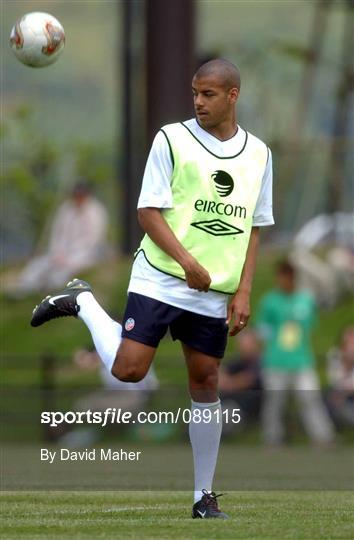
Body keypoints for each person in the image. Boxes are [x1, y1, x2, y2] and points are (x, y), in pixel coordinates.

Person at [31, 58, 274, 519]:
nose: (198, 102)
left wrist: (243, 292)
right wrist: (186, 263)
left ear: (232, 96)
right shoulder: (172, 139)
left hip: (213, 292)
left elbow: (255, 228)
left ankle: (203, 497)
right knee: (128, 372)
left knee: (205, 383)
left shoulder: (259, 154)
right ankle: (82, 299)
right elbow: (148, 213)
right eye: (195, 93)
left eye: (208, 94)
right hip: (161, 277)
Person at [256, 260, 335, 446]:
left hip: (301, 360)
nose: (286, 280)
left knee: (310, 398)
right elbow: (262, 329)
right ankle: (272, 438)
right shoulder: (270, 301)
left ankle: (323, 437)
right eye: (282, 276)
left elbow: (310, 326)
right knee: (274, 402)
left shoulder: (305, 300)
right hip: (276, 360)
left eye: (289, 276)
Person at [9, 181, 109, 296]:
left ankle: (49, 290)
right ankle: (24, 288)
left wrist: (70, 256)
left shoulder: (96, 212)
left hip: (85, 253)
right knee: (39, 264)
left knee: (61, 274)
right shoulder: (66, 209)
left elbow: (92, 240)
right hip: (62, 251)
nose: (78, 199)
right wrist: (58, 251)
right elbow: (57, 234)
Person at [219, 328, 262, 434]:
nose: (244, 347)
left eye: (247, 343)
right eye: (241, 343)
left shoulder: (260, 362)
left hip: (246, 409)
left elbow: (248, 379)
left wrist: (231, 383)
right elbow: (219, 377)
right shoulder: (237, 362)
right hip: (226, 403)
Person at [325, 326, 354, 428]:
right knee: (329, 395)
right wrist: (347, 362)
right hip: (341, 394)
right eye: (349, 341)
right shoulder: (335, 355)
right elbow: (335, 380)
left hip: (348, 394)